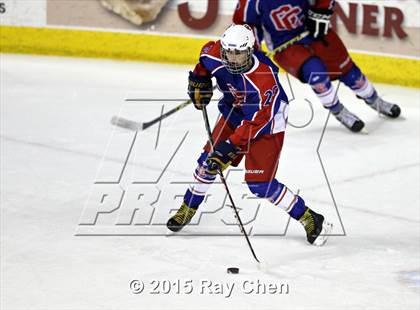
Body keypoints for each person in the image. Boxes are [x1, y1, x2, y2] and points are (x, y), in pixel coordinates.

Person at [166, 24, 332, 246]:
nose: (232, 59)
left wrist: (229, 147)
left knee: (259, 184)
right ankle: (188, 207)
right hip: (234, 111)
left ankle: (309, 217)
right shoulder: (214, 54)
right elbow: (204, 62)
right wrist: (199, 79)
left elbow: (256, 122)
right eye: (229, 53)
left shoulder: (265, 81)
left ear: (250, 50)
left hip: (266, 123)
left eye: (239, 53)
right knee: (207, 163)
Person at [233, 0, 401, 132]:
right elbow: (246, 24)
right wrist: (253, 49)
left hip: (315, 30)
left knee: (351, 74)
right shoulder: (251, 2)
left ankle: (375, 100)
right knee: (316, 73)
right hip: (285, 45)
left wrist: (321, 12)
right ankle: (338, 111)